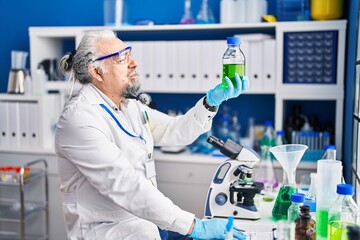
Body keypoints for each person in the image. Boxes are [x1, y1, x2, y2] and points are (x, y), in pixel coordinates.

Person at [55, 29, 250, 240]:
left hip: (146, 224)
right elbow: (126, 185)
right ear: (97, 71)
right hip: (109, 232)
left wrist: (211, 102)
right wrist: (195, 226)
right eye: (122, 59)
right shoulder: (79, 119)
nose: (134, 63)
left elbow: (174, 131)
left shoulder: (130, 106)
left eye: (129, 54)